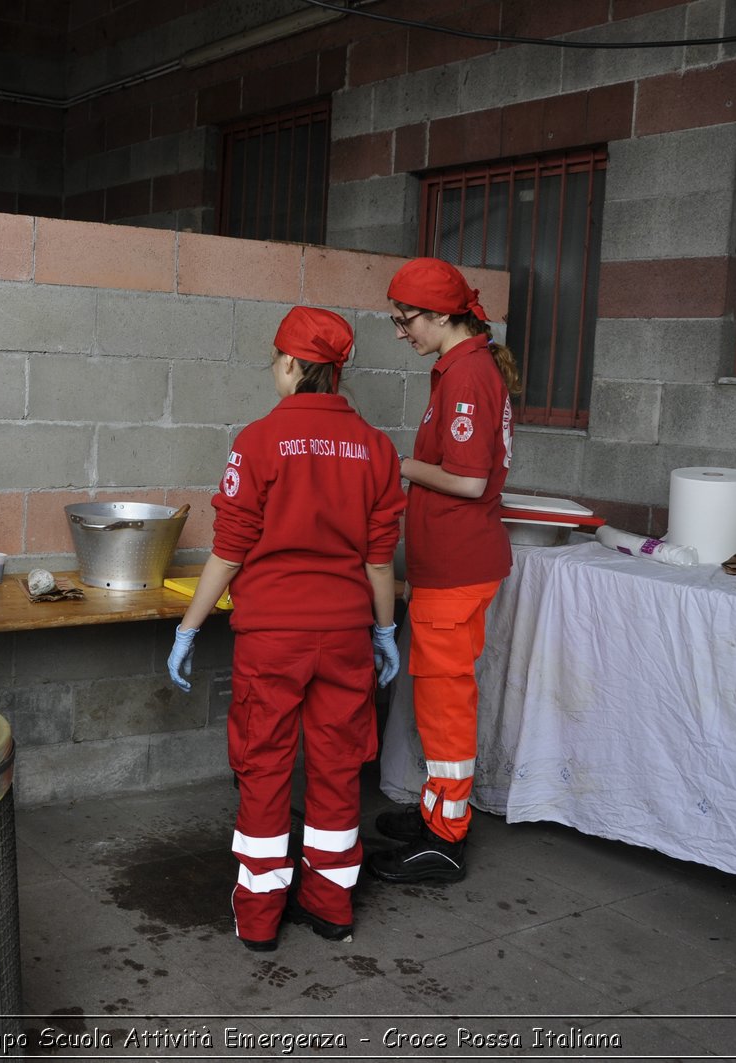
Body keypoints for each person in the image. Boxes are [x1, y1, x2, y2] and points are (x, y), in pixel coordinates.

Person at [166, 307, 405, 951]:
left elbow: (230, 549)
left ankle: (260, 914)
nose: (276, 369)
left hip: (272, 637)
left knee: (265, 764)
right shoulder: (377, 448)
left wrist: (189, 628)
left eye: (277, 359)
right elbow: (379, 559)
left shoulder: (259, 441)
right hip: (347, 634)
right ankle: (330, 905)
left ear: (294, 366)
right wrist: (384, 632)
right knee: (337, 765)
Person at [366, 257, 519, 886]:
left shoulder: (468, 376)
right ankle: (436, 813)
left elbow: (468, 478)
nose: (402, 332)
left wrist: (396, 465)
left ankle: (446, 839)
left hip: (458, 568)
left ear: (441, 315)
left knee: (445, 702)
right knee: (435, 699)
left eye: (407, 321)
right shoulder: (458, 369)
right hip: (446, 566)